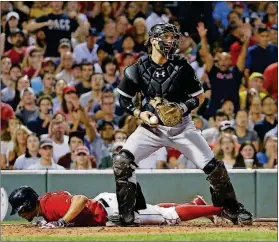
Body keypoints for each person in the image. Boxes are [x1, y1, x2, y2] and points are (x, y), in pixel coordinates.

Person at [113, 23, 252, 226]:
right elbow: (124, 99)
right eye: (166, 37)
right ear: (153, 40)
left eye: (173, 37)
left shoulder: (182, 67)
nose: (171, 41)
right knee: (122, 162)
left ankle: (230, 209)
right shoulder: (137, 69)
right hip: (150, 129)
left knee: (214, 168)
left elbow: (200, 97)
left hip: (181, 127)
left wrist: (181, 108)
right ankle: (128, 213)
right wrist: (139, 113)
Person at [9, 186, 223, 228]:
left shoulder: (48, 204)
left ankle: (218, 209)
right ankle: (196, 205)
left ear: (27, 204)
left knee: (168, 217)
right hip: (107, 207)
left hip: (111, 210)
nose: (20, 215)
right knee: (153, 209)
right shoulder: (44, 206)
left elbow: (80, 199)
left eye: (20, 210)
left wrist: (62, 222)